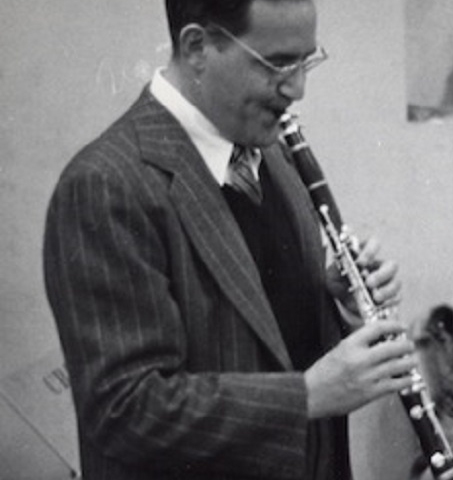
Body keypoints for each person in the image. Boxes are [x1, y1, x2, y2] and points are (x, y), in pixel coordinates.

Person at [42, 1, 416, 479]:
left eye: (305, 61)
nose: (296, 88)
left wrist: (336, 303)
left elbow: (269, 339)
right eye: (277, 63)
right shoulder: (106, 184)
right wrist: (306, 397)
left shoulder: (275, 157)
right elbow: (124, 410)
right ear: (198, 47)